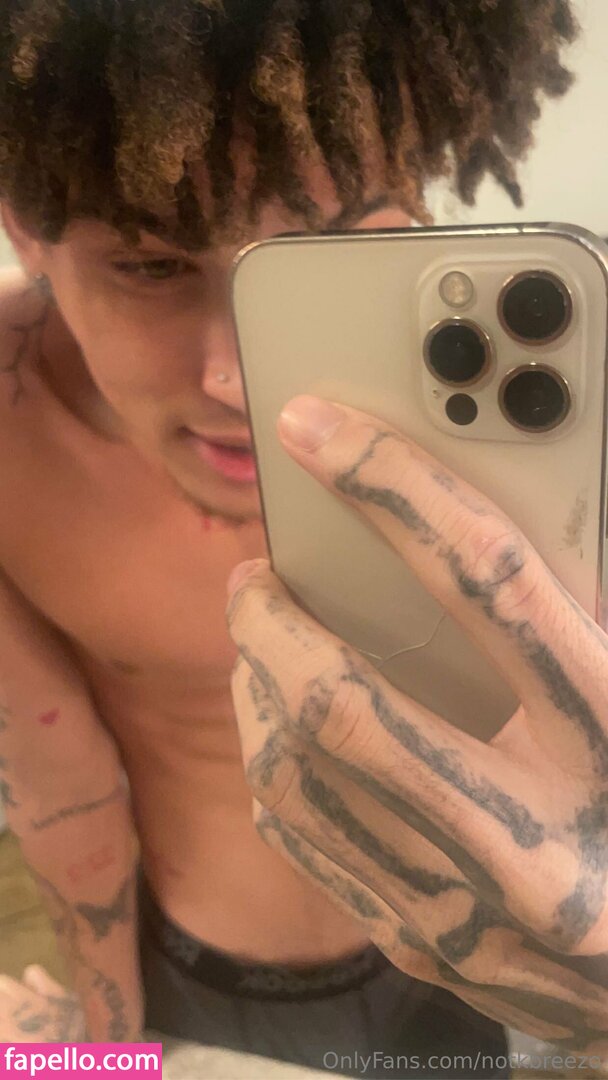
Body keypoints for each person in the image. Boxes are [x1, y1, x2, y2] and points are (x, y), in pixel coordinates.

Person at [0, 2, 591, 1077]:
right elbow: (61, 790)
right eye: (151, 266)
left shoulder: (517, 415)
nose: (235, 379)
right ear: (24, 229)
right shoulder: (13, 440)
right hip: (201, 978)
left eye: (328, 252)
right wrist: (103, 1056)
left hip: (466, 973)